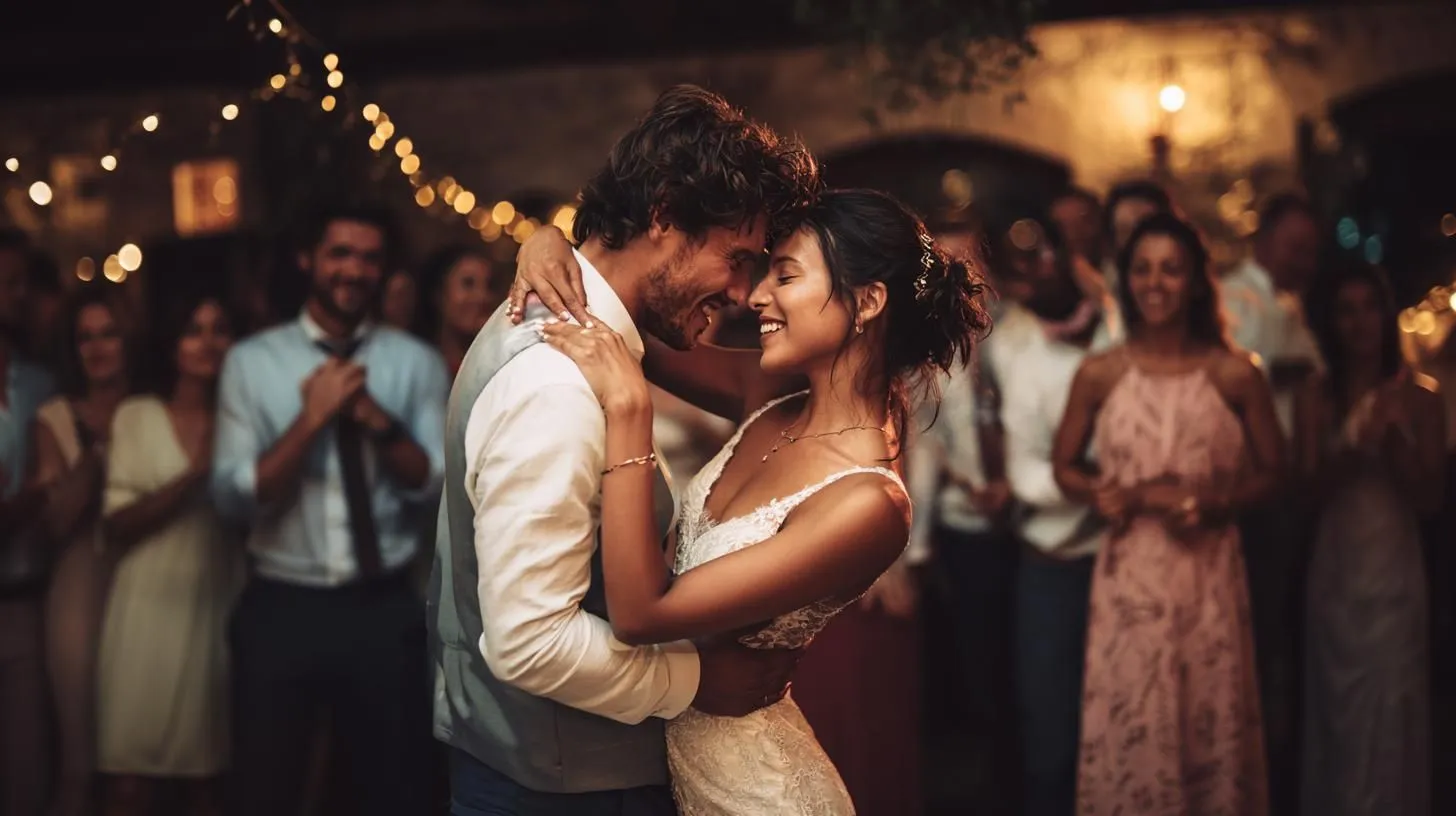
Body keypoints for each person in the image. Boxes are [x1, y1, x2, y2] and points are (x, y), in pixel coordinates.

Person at [513, 186, 989, 814]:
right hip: (659, 769)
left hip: (754, 794)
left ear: (868, 301)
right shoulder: (770, 391)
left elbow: (641, 615)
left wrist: (629, 409)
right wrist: (549, 245)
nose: (756, 295)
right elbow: (618, 315)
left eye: (785, 275)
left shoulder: (868, 502)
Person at [428, 85, 823, 816]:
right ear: (665, 214)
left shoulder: (586, 330)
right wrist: (699, 681)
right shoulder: (557, 381)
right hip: (558, 789)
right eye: (738, 259)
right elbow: (530, 643)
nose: (744, 295)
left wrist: (548, 239)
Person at [212, 205, 449, 816]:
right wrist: (311, 418)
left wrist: (378, 422)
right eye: (340, 253)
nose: (355, 270)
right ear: (308, 260)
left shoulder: (413, 362)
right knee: (268, 788)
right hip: (281, 607)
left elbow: (435, 484)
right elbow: (233, 496)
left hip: (383, 610)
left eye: (369, 258)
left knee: (393, 789)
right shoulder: (251, 363)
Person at [1053, 213, 1280, 814]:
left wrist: (1218, 502)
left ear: (1196, 282)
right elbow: (1064, 467)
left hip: (1208, 576)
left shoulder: (1237, 373)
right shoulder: (1100, 373)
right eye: (1143, 269)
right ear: (1126, 281)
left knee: (1208, 721)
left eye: (1171, 269)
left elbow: (1273, 473)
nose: (1156, 283)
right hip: (1131, 575)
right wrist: (1096, 491)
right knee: (1136, 720)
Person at [1296, 263, 1440, 816]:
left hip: (1394, 565)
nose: (1359, 324)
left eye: (1369, 308)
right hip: (1336, 564)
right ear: (1332, 322)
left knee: (1391, 701)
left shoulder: (1422, 399)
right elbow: (1305, 491)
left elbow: (1429, 500)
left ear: (1387, 315)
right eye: (1345, 311)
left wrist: (1395, 442)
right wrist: (1355, 446)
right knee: (1337, 705)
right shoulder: (1317, 395)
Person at [97, 293, 245, 816]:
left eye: (219, 328)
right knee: (129, 783)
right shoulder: (136, 415)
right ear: (171, 344)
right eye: (193, 330)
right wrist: (195, 475)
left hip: (215, 604)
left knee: (205, 784)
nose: (208, 342)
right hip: (143, 610)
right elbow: (116, 523)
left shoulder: (244, 420)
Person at [33, 287, 130, 816]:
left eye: (108, 334)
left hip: (142, 585)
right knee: (80, 758)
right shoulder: (55, 416)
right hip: (78, 588)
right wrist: (96, 452)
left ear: (128, 340)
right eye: (85, 337)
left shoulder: (153, 404)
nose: (97, 348)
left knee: (139, 758)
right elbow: (55, 522)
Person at [0, 228, 57, 816]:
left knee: (28, 770)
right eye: (8, 283)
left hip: (27, 601)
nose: (19, 296)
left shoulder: (39, 384)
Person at [413, 245, 503, 378]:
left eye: (490, 285)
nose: (482, 296)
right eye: (468, 284)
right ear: (438, 294)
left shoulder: (503, 368)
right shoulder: (416, 366)